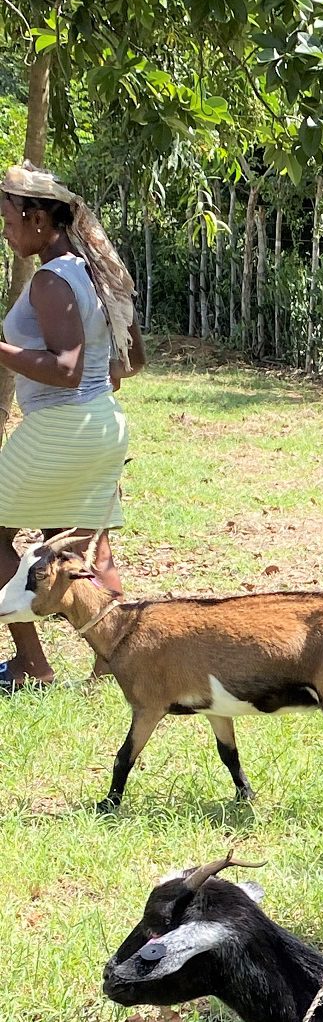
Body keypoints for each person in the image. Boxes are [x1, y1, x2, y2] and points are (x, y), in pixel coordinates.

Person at [0, 161, 145, 692]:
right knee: (86, 550)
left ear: (37, 218)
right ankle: (117, 665)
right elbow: (132, 360)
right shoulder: (96, 272)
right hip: (101, 424)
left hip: (60, 427)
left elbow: (66, 369)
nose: (6, 231)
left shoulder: (51, 279)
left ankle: (30, 665)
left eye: (9, 220)